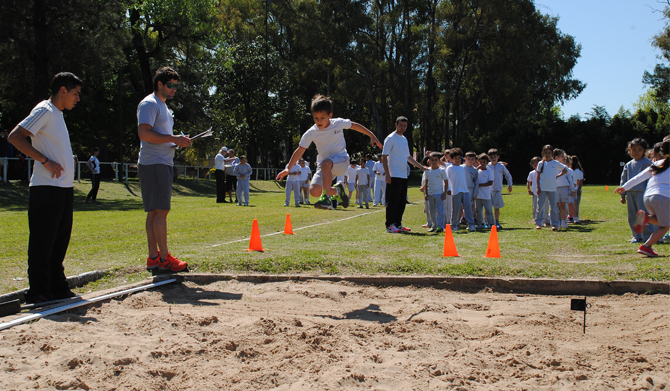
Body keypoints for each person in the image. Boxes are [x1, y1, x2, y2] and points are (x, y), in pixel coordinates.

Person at [7, 72, 83, 303]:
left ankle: (57, 286)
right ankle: (39, 290)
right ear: (62, 90)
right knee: (43, 241)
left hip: (62, 188)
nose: (78, 99)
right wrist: (44, 160)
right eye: (75, 93)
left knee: (59, 241)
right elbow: (15, 137)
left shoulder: (57, 115)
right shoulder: (44, 110)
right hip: (46, 188)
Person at [276, 95, 382, 210]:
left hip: (341, 161)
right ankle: (339, 191)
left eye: (322, 117)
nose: (319, 121)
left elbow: (355, 126)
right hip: (325, 167)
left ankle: (326, 198)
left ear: (330, 115)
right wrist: (288, 168)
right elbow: (300, 150)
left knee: (326, 163)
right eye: (316, 118)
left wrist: (372, 135)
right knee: (314, 191)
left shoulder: (338, 123)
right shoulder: (311, 132)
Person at [137, 66, 191, 273]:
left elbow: (159, 136)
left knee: (154, 213)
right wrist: (172, 138)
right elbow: (144, 133)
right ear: (159, 84)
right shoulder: (150, 104)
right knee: (160, 212)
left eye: (176, 86)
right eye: (170, 85)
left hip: (160, 162)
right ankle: (164, 257)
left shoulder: (163, 107)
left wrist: (176, 141)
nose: (173, 89)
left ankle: (154, 258)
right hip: (155, 164)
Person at [615, 140, 670, 257]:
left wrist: (624, 187)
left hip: (648, 196)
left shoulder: (657, 163)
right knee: (665, 226)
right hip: (663, 197)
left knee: (662, 220)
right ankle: (646, 246)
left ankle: (646, 218)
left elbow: (639, 177)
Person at [381, 116, 425, 233]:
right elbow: (384, 157)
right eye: (401, 125)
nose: (403, 127)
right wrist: (387, 174)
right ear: (396, 125)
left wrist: (421, 167)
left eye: (405, 125)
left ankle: (398, 224)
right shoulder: (390, 138)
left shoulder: (404, 139)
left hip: (403, 175)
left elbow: (408, 157)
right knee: (393, 201)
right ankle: (389, 225)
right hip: (393, 174)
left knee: (401, 202)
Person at [619, 138, 653, 243]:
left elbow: (651, 179)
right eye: (634, 150)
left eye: (639, 150)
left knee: (643, 215)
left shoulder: (647, 163)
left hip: (643, 193)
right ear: (629, 151)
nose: (636, 152)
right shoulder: (628, 165)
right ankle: (636, 236)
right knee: (632, 215)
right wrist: (623, 195)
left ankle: (647, 236)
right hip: (631, 194)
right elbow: (623, 180)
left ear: (644, 151)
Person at [535, 145, 567, 231]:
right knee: (540, 206)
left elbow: (565, 169)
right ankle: (539, 223)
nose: (548, 154)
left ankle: (555, 224)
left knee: (553, 207)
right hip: (542, 187)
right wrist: (538, 187)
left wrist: (558, 176)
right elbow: (538, 176)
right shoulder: (541, 164)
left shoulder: (555, 163)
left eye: (549, 153)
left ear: (552, 153)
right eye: (546, 153)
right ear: (543, 153)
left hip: (552, 188)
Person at [446, 148, 476, 231]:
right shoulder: (450, 168)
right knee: (456, 209)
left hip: (465, 190)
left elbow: (472, 165)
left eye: (459, 158)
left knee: (468, 208)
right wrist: (448, 189)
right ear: (451, 159)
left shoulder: (463, 167)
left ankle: (471, 224)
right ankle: (454, 225)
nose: (458, 160)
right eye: (455, 158)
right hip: (455, 191)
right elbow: (447, 179)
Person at [487, 148, 513, 229]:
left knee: (496, 207)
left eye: (495, 156)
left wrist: (510, 184)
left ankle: (496, 221)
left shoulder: (501, 166)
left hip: (497, 189)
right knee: (488, 207)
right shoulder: (487, 166)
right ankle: (487, 222)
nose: (493, 158)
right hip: (488, 190)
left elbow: (508, 175)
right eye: (491, 157)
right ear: (489, 158)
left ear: (498, 157)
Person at [422, 152, 448, 233]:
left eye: (436, 160)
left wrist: (444, 193)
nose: (434, 162)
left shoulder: (442, 170)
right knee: (431, 210)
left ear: (438, 160)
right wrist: (426, 194)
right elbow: (426, 183)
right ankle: (434, 225)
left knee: (439, 210)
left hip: (439, 193)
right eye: (432, 160)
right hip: (430, 193)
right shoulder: (427, 171)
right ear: (429, 161)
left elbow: (446, 182)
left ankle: (440, 226)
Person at [553, 149, 575, 230]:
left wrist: (572, 190)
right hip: (554, 189)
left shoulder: (566, 168)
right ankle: (556, 222)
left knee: (563, 205)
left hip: (564, 188)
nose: (564, 158)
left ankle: (563, 221)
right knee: (555, 205)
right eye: (562, 156)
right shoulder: (552, 167)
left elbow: (570, 180)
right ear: (556, 157)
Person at [475, 153, 495, 229]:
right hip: (478, 195)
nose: (482, 164)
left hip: (486, 195)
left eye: (484, 162)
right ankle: (481, 223)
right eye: (481, 162)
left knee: (488, 210)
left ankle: (491, 223)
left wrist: (481, 185)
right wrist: (476, 169)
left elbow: (490, 182)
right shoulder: (477, 171)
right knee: (478, 210)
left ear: (487, 163)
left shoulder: (489, 172)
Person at [569, 155, 584, 223]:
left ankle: (571, 215)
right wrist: (578, 190)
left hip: (570, 189)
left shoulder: (569, 170)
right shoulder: (579, 172)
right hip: (576, 189)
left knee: (570, 203)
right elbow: (580, 182)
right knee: (576, 204)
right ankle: (576, 216)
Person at [527, 156, 541, 223]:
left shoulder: (542, 172)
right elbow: (529, 181)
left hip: (542, 192)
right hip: (535, 192)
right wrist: (529, 189)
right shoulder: (531, 173)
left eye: (537, 162)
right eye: (534, 163)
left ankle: (543, 218)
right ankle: (535, 218)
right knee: (535, 206)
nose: (535, 164)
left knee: (542, 206)